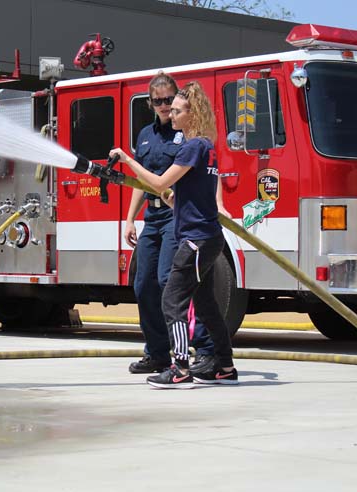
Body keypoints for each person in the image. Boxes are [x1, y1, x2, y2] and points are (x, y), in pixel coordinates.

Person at [111, 81, 237, 388]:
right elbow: (189, 188)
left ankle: (180, 367)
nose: (172, 112)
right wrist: (174, 198)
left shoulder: (191, 145)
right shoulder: (206, 147)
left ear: (191, 115)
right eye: (165, 105)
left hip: (194, 239)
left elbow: (158, 183)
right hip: (206, 236)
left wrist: (127, 162)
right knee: (205, 304)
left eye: (177, 108)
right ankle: (224, 367)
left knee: (172, 298)